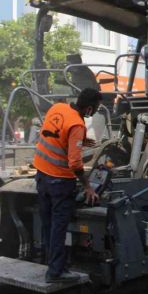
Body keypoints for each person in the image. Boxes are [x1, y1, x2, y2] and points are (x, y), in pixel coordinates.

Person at [33, 88, 102, 282]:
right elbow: (75, 163)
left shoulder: (58, 107)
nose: (95, 111)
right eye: (95, 108)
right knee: (58, 227)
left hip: (41, 176)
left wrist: (80, 141)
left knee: (47, 225)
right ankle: (56, 272)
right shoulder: (77, 124)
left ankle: (52, 263)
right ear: (89, 109)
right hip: (59, 183)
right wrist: (88, 186)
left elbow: (53, 133)